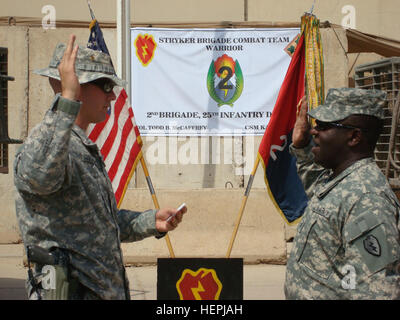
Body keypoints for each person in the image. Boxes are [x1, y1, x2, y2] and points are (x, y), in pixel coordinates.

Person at [14, 35, 187, 300]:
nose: (112, 95)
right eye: (105, 85)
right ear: (75, 85)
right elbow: (39, 178)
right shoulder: (45, 144)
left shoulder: (80, 146)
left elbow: (100, 223)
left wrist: (149, 221)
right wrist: (68, 99)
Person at [285, 87, 400, 299]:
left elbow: (377, 290)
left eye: (324, 125)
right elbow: (316, 186)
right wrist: (301, 147)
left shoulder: (366, 198)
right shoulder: (342, 180)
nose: (314, 131)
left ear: (354, 137)